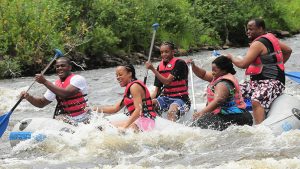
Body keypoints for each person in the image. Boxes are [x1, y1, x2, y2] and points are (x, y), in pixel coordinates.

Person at [226, 18, 292, 124]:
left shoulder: (257, 44)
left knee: (256, 100)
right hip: (256, 83)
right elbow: (288, 51)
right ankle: (236, 119)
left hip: (273, 83)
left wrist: (231, 57)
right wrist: (278, 66)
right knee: (229, 91)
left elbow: (243, 64)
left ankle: (259, 127)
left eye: (251, 29)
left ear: (260, 29)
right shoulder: (270, 37)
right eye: (247, 29)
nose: (248, 32)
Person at [188, 56, 253, 131]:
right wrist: (193, 66)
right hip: (231, 115)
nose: (212, 72)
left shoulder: (223, 83)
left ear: (224, 71)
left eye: (215, 70)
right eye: (212, 70)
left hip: (235, 117)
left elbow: (218, 100)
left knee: (196, 125)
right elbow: (203, 74)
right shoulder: (218, 76)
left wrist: (201, 113)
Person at [20, 57, 90, 126]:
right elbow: (41, 103)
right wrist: (28, 97)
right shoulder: (54, 85)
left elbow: (65, 93)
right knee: (59, 118)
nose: (59, 68)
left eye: (63, 66)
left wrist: (44, 81)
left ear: (69, 67)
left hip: (84, 116)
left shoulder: (78, 79)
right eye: (57, 67)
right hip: (69, 119)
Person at [93, 64, 157, 132]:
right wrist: (94, 108)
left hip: (145, 121)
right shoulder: (130, 88)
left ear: (130, 73)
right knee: (101, 127)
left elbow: (138, 110)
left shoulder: (134, 86)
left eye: (120, 74)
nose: (117, 77)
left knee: (103, 128)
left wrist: (124, 127)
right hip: (139, 120)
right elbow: (114, 109)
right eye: (116, 75)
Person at [145, 41, 190, 122]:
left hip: (182, 99)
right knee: (149, 105)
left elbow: (167, 82)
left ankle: (172, 131)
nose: (163, 54)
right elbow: (156, 91)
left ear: (173, 52)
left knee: (171, 111)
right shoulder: (160, 67)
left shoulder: (180, 63)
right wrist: (145, 101)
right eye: (161, 52)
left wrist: (152, 69)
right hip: (166, 98)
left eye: (166, 52)